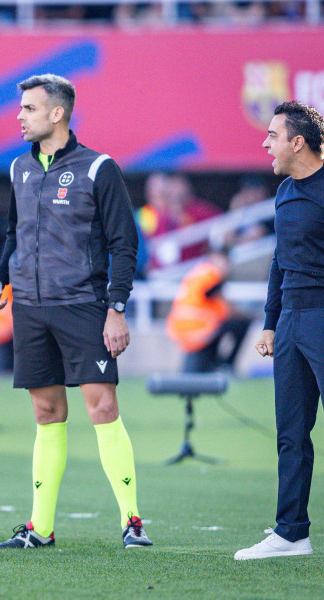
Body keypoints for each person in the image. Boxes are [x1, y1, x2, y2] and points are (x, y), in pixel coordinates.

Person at [0, 74, 151, 550]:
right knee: (45, 412)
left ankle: (132, 522)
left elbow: (125, 243)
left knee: (102, 408)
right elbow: (15, 234)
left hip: (84, 307)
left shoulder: (100, 169)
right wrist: (1, 276)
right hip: (31, 311)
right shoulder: (18, 168)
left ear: (56, 113)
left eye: (29, 109)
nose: (19, 116)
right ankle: (40, 529)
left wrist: (115, 308)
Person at [235, 101, 324, 560]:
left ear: (297, 142)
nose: (264, 143)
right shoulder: (285, 191)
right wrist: (270, 322)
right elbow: (279, 260)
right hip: (291, 322)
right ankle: (292, 533)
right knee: (291, 432)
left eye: (272, 135)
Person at [165, 249, 251, 373]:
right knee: (239, 324)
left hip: (182, 327)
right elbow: (212, 294)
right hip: (200, 327)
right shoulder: (212, 274)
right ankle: (226, 364)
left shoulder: (198, 272)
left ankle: (216, 363)